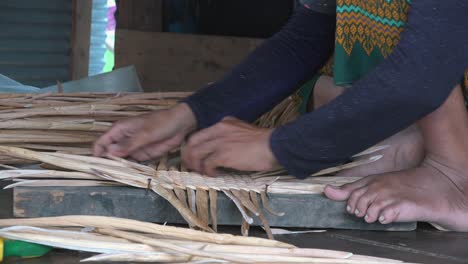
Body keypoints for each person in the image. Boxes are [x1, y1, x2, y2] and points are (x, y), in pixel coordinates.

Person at [94, 0, 468, 230]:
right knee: (327, 93)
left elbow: (424, 69)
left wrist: (279, 147)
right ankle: (417, 142)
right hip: (431, 85)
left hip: (433, 77)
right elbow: (308, 36)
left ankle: (454, 177)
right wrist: (189, 115)